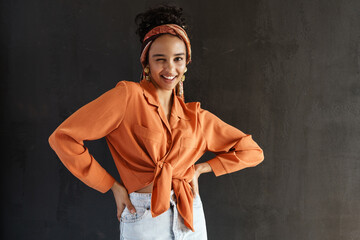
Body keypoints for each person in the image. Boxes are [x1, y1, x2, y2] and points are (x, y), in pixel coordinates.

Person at [48, 4, 264, 240]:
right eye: (160, 59)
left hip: (190, 215)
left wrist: (201, 169)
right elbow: (64, 138)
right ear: (146, 62)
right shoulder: (127, 97)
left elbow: (252, 151)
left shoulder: (196, 117)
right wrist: (111, 185)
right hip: (143, 216)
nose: (170, 68)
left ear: (186, 64)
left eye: (178, 59)